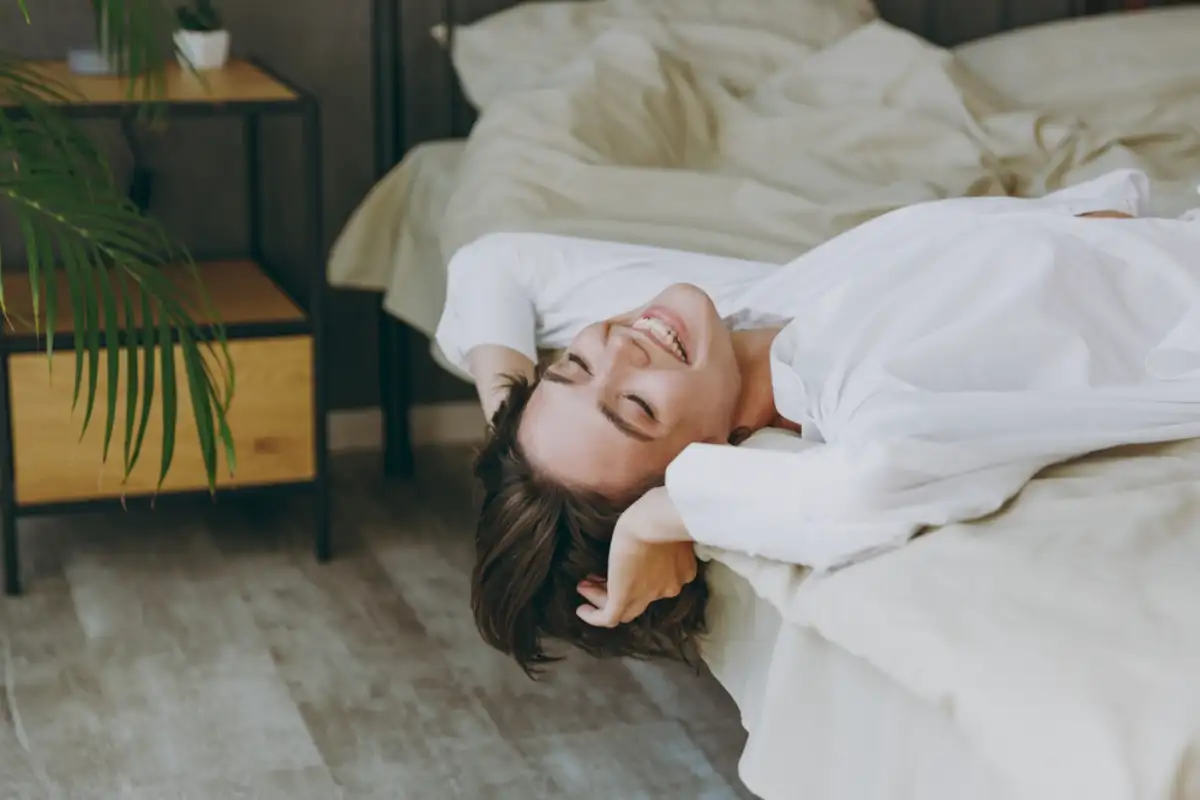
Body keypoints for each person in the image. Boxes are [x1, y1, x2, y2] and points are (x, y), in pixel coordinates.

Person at [434, 169, 1200, 676]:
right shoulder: (865, 385)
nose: (623, 349)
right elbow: (871, 482)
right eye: (635, 408)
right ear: (714, 456)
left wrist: (518, 425)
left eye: (572, 365)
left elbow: (495, 263)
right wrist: (657, 518)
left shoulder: (744, 317)